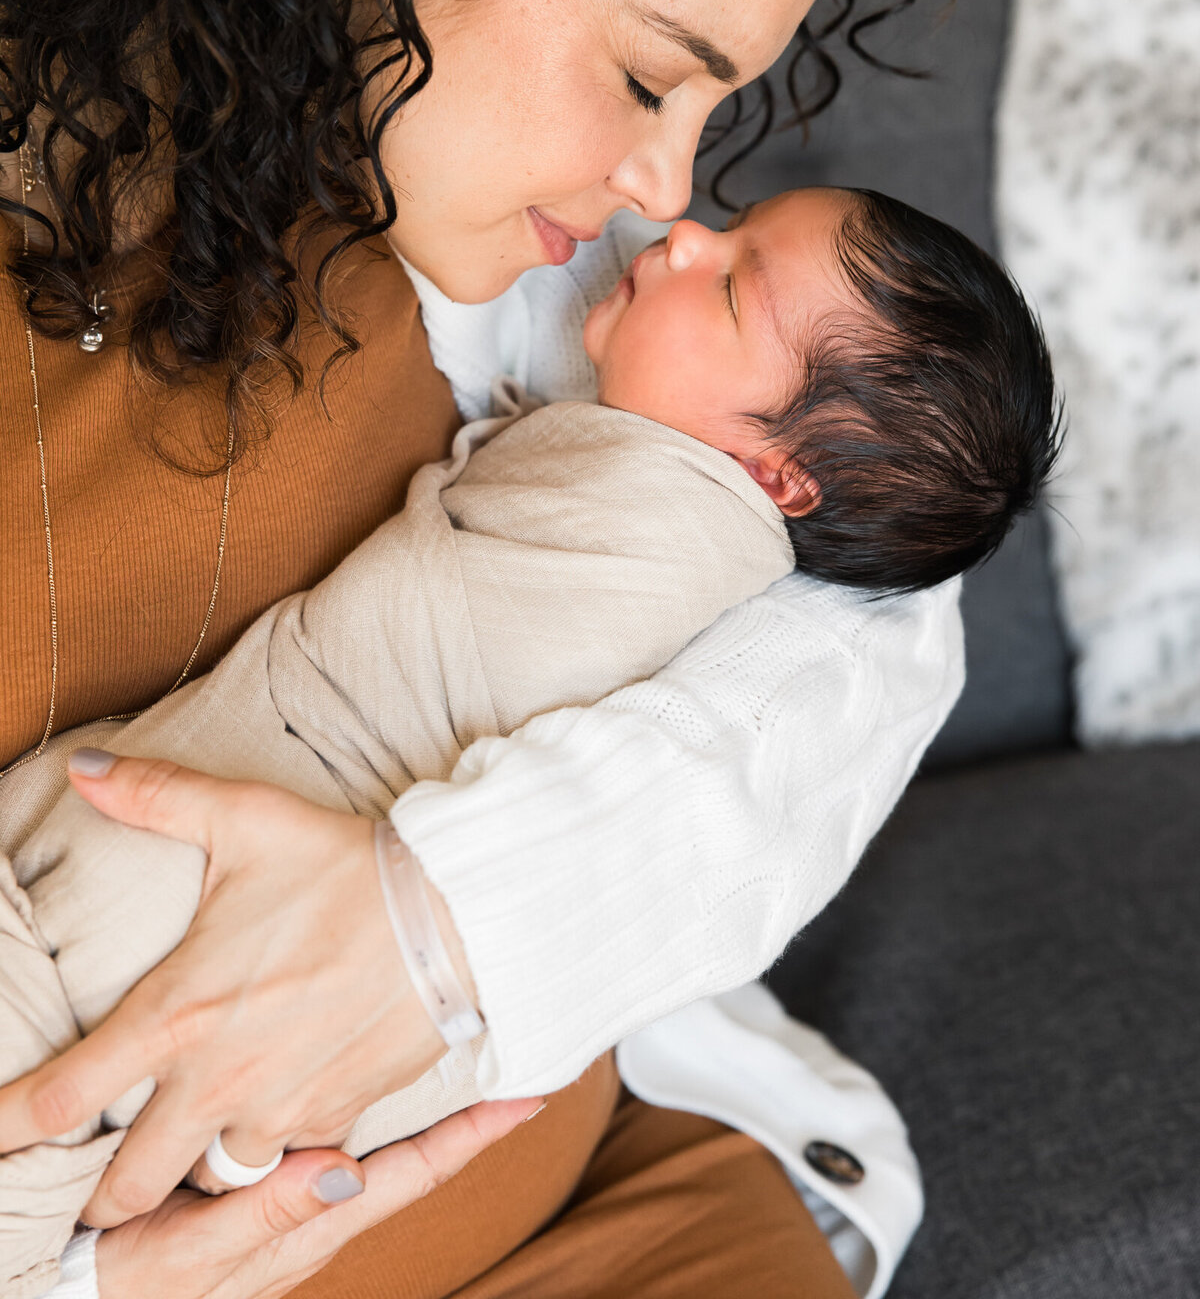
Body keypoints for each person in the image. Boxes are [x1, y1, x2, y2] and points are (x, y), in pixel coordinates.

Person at [0, 0, 968, 1294]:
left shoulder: (452, 197)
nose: (670, 194)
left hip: (628, 1212)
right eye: (646, 75)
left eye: (715, 111)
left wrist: (449, 923)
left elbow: (872, 595)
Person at [0, 180, 1058, 1286]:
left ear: (776, 477)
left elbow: (889, 641)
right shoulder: (614, 319)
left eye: (735, 280)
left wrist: (444, 927)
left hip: (235, 948)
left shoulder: (684, 532)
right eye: (647, 80)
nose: (679, 218)